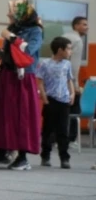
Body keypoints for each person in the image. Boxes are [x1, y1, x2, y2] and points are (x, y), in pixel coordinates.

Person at [0, 0, 43, 171]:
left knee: (22, 116)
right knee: (3, 114)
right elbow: (10, 53)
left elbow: (29, 51)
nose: (9, 14)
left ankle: (22, 157)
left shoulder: (35, 31)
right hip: (7, 74)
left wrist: (10, 37)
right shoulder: (12, 29)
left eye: (13, 12)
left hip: (22, 77)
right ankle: (3, 151)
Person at [36, 37, 75, 169]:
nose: (71, 51)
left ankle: (64, 157)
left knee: (63, 130)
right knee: (48, 130)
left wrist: (72, 93)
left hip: (64, 101)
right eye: (69, 49)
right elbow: (40, 81)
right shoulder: (45, 63)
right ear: (60, 50)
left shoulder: (67, 64)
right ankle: (45, 155)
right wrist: (44, 97)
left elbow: (69, 79)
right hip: (51, 100)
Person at [62, 16, 87, 142]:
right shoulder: (77, 40)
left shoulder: (64, 36)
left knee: (60, 112)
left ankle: (58, 138)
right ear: (76, 26)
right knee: (74, 110)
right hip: (69, 82)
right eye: (84, 24)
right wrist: (75, 86)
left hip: (60, 81)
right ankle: (71, 139)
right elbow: (74, 66)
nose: (86, 27)